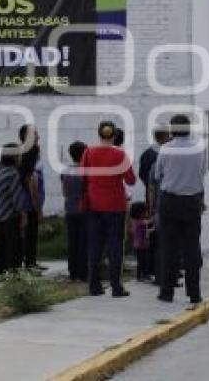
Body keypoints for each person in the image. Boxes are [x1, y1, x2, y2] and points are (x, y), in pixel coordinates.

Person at [155, 114, 207, 308]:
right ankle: (194, 294)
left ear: (172, 129)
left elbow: (158, 174)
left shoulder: (166, 149)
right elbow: (202, 172)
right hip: (192, 200)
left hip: (170, 201)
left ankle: (167, 292)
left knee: (169, 248)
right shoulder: (199, 147)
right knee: (192, 248)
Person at [81, 121, 137, 297]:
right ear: (114, 136)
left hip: (94, 203)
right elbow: (131, 180)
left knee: (95, 246)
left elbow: (82, 176)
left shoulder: (88, 152)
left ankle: (94, 285)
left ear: (99, 134)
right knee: (115, 247)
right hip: (114, 205)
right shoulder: (120, 154)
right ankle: (116, 287)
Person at [139, 127, 170, 286]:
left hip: (152, 199)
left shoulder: (147, 154)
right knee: (163, 238)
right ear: (164, 136)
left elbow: (143, 176)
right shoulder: (166, 154)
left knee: (153, 236)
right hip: (163, 200)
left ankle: (152, 269)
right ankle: (161, 270)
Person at [0, 143, 23, 280]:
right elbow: (17, 197)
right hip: (10, 215)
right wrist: (23, 214)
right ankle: (14, 272)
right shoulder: (13, 173)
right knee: (13, 245)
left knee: (0, 243)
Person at [18, 124, 46, 273]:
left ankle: (31, 262)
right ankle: (29, 264)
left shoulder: (25, 152)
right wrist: (38, 207)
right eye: (35, 134)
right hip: (29, 203)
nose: (38, 136)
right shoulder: (30, 152)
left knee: (31, 234)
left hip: (28, 202)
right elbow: (31, 182)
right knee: (30, 234)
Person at [62, 141, 88, 282]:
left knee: (72, 242)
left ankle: (72, 272)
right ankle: (83, 273)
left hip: (70, 208)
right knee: (83, 242)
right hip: (84, 209)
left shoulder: (66, 170)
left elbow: (64, 191)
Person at [129, 201, 152, 282]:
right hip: (140, 244)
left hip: (141, 244)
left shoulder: (135, 221)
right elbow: (148, 222)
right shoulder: (138, 222)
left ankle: (142, 275)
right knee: (142, 261)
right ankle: (141, 276)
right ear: (139, 212)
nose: (146, 213)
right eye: (145, 211)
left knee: (143, 261)